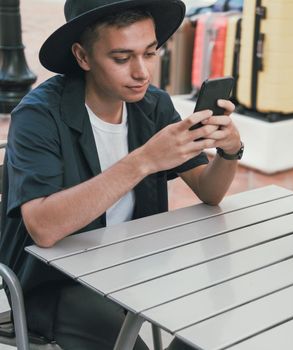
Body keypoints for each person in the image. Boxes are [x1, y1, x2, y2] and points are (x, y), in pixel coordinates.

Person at [0, 0, 244, 348]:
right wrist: (143, 160)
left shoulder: (153, 105)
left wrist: (230, 149)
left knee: (219, 309)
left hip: (134, 269)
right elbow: (43, 227)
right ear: (83, 57)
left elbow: (210, 191)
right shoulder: (38, 117)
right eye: (122, 58)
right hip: (54, 284)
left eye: (149, 53)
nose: (142, 72)